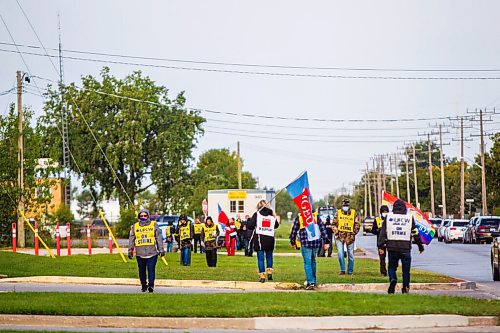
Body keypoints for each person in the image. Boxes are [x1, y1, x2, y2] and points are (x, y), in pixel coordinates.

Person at [378, 199, 424, 294]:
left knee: (391, 267)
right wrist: (420, 246)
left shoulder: (388, 217)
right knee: (406, 270)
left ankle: (393, 279)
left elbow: (383, 233)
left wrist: (381, 246)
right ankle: (405, 288)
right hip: (405, 248)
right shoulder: (409, 218)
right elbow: (415, 233)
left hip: (392, 247)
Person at [290, 213, 330, 290]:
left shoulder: (300, 217)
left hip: (306, 243)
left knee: (307, 263)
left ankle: (310, 282)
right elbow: (322, 228)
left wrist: (292, 241)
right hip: (316, 243)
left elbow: (294, 230)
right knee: (313, 261)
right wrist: (326, 241)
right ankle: (313, 281)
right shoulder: (315, 216)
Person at [128, 209, 164, 292]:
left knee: (151, 270)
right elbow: (131, 239)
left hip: (152, 253)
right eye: (141, 216)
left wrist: (161, 250)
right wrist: (130, 251)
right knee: (142, 271)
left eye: (145, 215)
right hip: (140, 253)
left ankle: (151, 285)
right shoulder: (135, 226)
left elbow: (158, 238)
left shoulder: (153, 224)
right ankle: (144, 285)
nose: (143, 217)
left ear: (148, 216)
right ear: (139, 217)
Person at [248, 200, 279, 283]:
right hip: (270, 238)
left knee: (260, 258)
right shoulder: (272, 215)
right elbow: (276, 225)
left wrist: (249, 220)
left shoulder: (257, 214)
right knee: (269, 256)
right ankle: (269, 272)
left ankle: (262, 276)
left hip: (260, 238)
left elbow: (250, 226)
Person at [332, 198, 360, 275]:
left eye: (346, 205)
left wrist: (354, 232)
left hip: (350, 236)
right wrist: (336, 231)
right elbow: (333, 224)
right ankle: (342, 269)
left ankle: (350, 271)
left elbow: (357, 224)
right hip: (339, 236)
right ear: (342, 205)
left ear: (348, 205)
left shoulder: (353, 213)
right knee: (340, 254)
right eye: (344, 205)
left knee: (351, 255)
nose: (345, 206)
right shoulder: (338, 213)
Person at [371, 205, 390, 276]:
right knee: (382, 258)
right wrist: (378, 231)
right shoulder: (377, 220)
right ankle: (383, 272)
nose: (385, 213)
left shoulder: (390, 219)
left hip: (390, 242)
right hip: (381, 243)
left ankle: (391, 271)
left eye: (386, 212)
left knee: (391, 258)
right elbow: (372, 230)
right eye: (383, 212)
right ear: (381, 212)